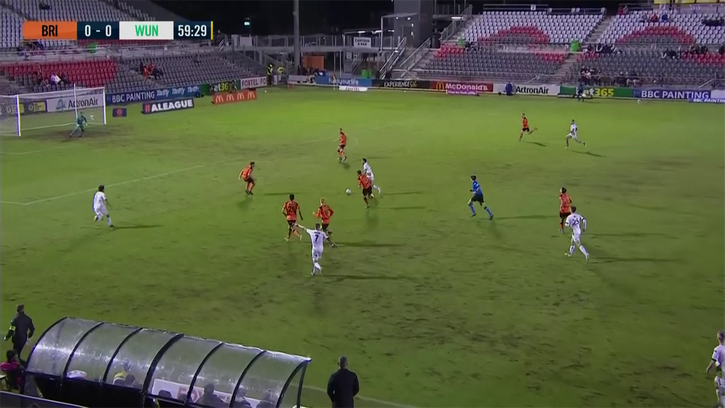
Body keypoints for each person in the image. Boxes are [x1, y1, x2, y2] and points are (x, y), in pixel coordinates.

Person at [707, 331, 725, 407]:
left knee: (720, 387)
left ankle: (722, 404)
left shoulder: (718, 349)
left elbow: (713, 360)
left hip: (721, 371)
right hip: (721, 371)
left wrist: (708, 368)